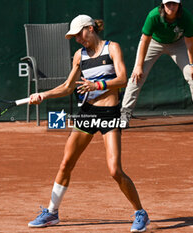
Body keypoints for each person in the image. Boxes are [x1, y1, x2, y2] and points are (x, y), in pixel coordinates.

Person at [27, 15, 150, 232]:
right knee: (66, 163)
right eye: (74, 37)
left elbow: (123, 78)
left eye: (79, 34)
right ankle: (52, 213)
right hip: (87, 112)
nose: (78, 39)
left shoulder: (112, 48)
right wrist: (43, 95)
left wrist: (97, 85)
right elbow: (67, 86)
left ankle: (140, 212)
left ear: (90, 28)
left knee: (114, 170)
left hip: (110, 114)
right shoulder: (79, 55)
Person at [121, 0, 193, 128]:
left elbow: (189, 42)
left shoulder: (185, 17)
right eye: (168, 4)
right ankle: (124, 115)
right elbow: (144, 41)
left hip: (178, 44)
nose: (171, 7)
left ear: (179, 5)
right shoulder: (153, 16)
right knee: (137, 76)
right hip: (153, 43)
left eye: (174, 4)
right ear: (163, 5)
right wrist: (138, 66)